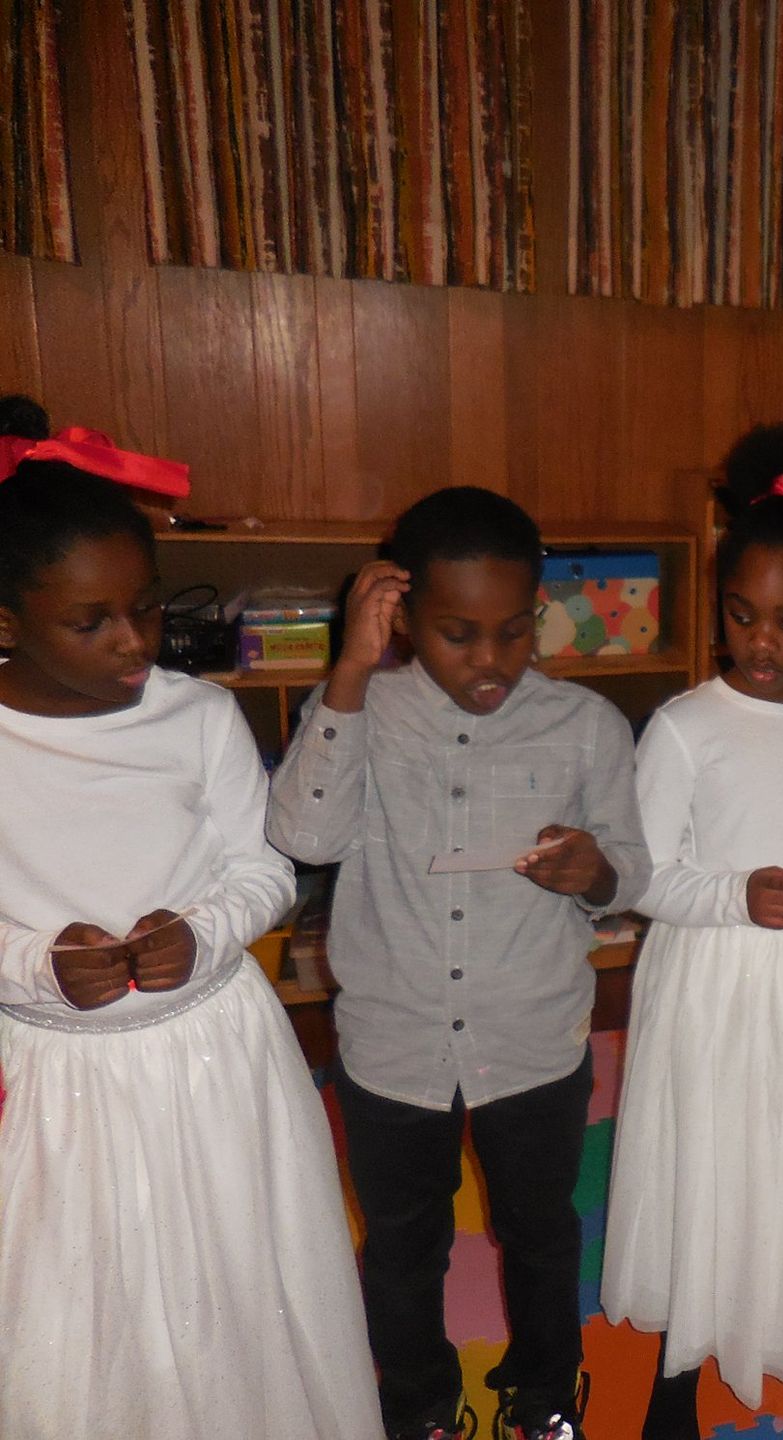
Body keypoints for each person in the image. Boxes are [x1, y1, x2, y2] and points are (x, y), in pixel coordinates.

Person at [0, 444, 381, 1437]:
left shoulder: (200, 716)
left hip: (218, 1058)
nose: (134, 642)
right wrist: (39, 967)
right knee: (90, 1308)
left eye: (149, 607)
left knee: (246, 1278)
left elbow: (265, 875)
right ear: (6, 624)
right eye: (91, 622)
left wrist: (205, 934)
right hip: (64, 1085)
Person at [268, 487, 651, 1440]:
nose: (491, 662)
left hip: (532, 1035)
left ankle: (545, 1392)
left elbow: (630, 868)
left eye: (514, 633)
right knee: (403, 1244)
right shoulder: (361, 709)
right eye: (456, 634)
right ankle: (419, 1407)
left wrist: (591, 868)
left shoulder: (586, 725)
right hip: (393, 1041)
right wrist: (350, 671)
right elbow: (304, 834)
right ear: (399, 617)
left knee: (540, 1230)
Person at [600, 424, 783, 1440]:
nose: (762, 643)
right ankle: (680, 1367)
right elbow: (644, 876)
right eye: (743, 617)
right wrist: (733, 898)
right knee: (712, 1158)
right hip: (717, 983)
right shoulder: (685, 725)